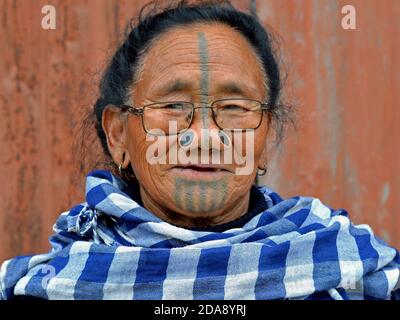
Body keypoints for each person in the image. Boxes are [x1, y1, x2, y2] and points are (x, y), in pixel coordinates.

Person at [1, 0, 399, 300]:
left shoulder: (353, 271)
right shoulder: (45, 286)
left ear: (265, 139)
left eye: (234, 108)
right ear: (119, 135)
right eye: (173, 106)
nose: (206, 135)